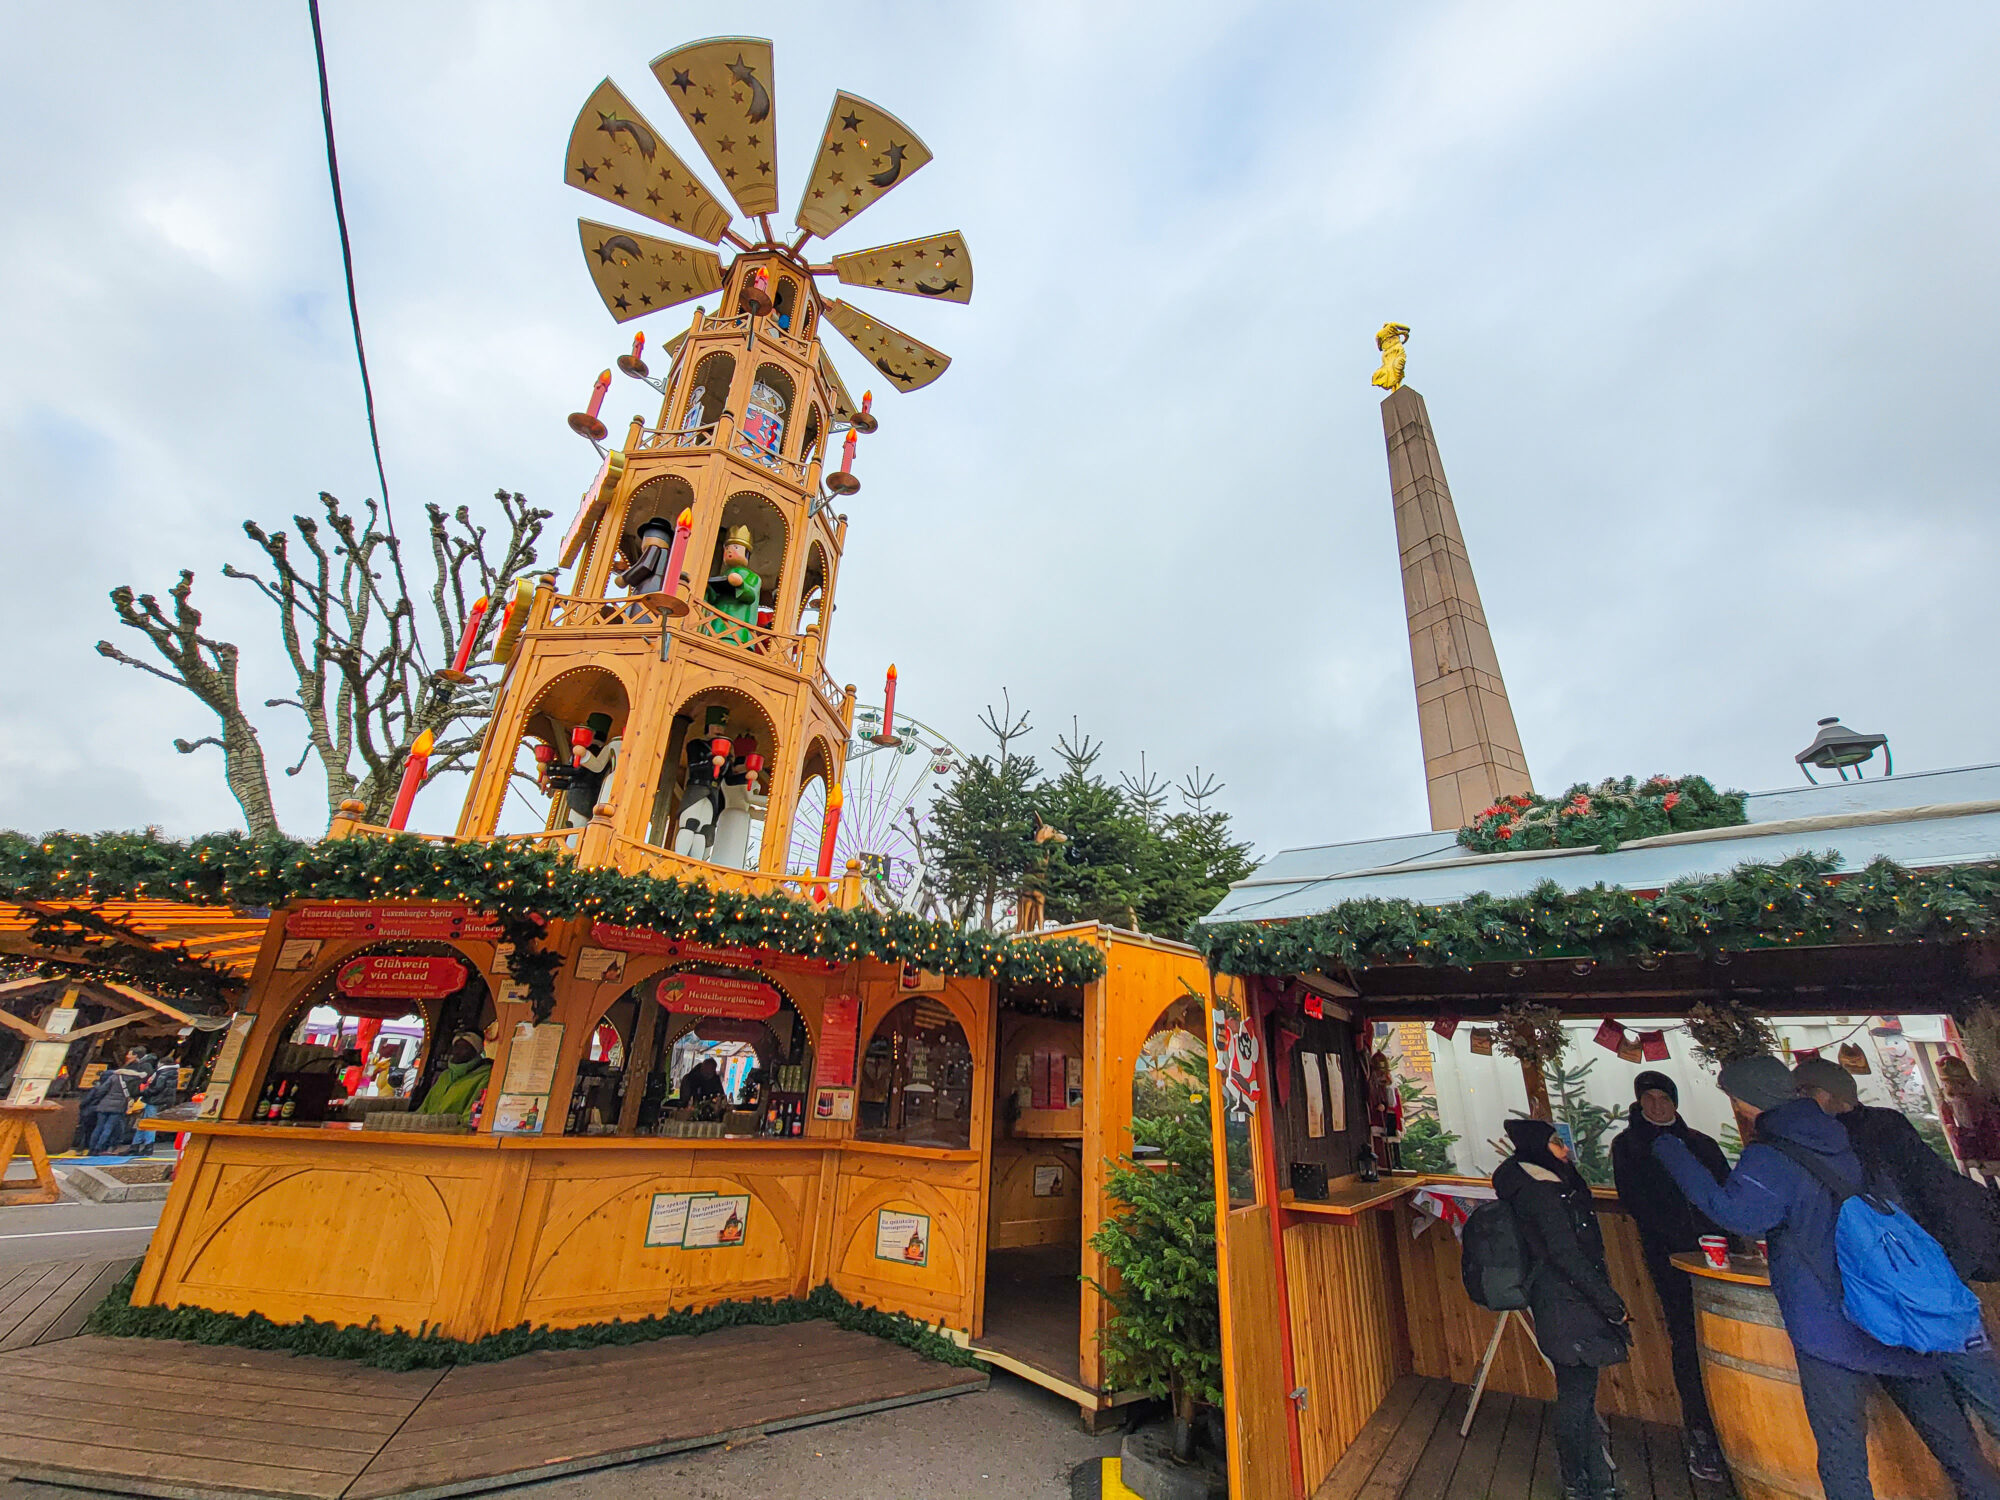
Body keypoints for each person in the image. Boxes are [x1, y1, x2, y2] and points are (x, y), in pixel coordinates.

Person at [1655, 1054, 2000, 1500]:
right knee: (1954, 1443)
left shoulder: (1771, 1155)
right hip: (1893, 1310)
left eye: (1735, 1099)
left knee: (1842, 1454)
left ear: (1747, 1099)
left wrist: (1672, 1153)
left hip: (1830, 1325)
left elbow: (1738, 1216)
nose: (1736, 1108)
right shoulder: (1843, 1138)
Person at [1795, 1056, 2000, 1444]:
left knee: (1960, 1397)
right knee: (1980, 1387)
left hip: (1907, 1280)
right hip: (1940, 1274)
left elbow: (1887, 1210)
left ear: (1820, 1096)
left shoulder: (1842, 1141)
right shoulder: (1888, 1123)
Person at [1494, 1117, 1629, 1500]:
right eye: (1558, 1144)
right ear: (1540, 1150)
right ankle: (1580, 1481)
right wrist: (1609, 1303)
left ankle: (1595, 1482)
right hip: (1568, 1297)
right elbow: (1566, 1253)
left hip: (1557, 1296)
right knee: (1577, 1398)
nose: (1566, 1151)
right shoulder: (1544, 1194)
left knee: (1579, 1394)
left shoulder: (1534, 1184)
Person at [1609, 1070, 1730, 1482]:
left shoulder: (1702, 1144)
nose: (1657, 1104)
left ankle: (1735, 1426)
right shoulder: (1629, 1147)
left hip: (1721, 1255)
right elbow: (1635, 1200)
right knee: (1686, 1337)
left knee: (1726, 1336)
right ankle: (1700, 1429)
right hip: (1671, 1257)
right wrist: (1677, 1238)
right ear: (1640, 1102)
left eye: (1664, 1097)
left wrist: (1727, 1238)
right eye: (1649, 1097)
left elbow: (1727, 1192)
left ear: (1675, 1102)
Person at [1939, 1056, 2000, 1175]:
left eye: (1947, 1083)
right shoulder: (1963, 1098)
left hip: (1986, 1141)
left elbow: (1970, 1122)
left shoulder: (1963, 1100)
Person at [86, 1049, 148, 1155]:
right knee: (109, 1127)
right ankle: (100, 1148)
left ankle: (92, 1148)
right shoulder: (135, 1080)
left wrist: (98, 1100)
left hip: (104, 1104)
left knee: (99, 1127)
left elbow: (102, 1090)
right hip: (118, 1106)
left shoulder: (115, 1076)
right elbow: (135, 1092)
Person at [417, 1032, 492, 1121]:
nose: (457, 1052)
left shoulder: (484, 1076)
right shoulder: (445, 1075)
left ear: (476, 1051)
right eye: (456, 1046)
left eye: (464, 1048)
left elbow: (471, 1116)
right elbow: (424, 1107)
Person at [130, 1048, 181, 1157]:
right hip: (161, 1100)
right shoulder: (172, 1073)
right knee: (144, 1122)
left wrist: (143, 1092)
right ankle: (136, 1145)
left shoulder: (163, 1073)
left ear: (161, 1063)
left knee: (149, 1123)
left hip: (154, 1100)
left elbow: (157, 1088)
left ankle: (147, 1146)